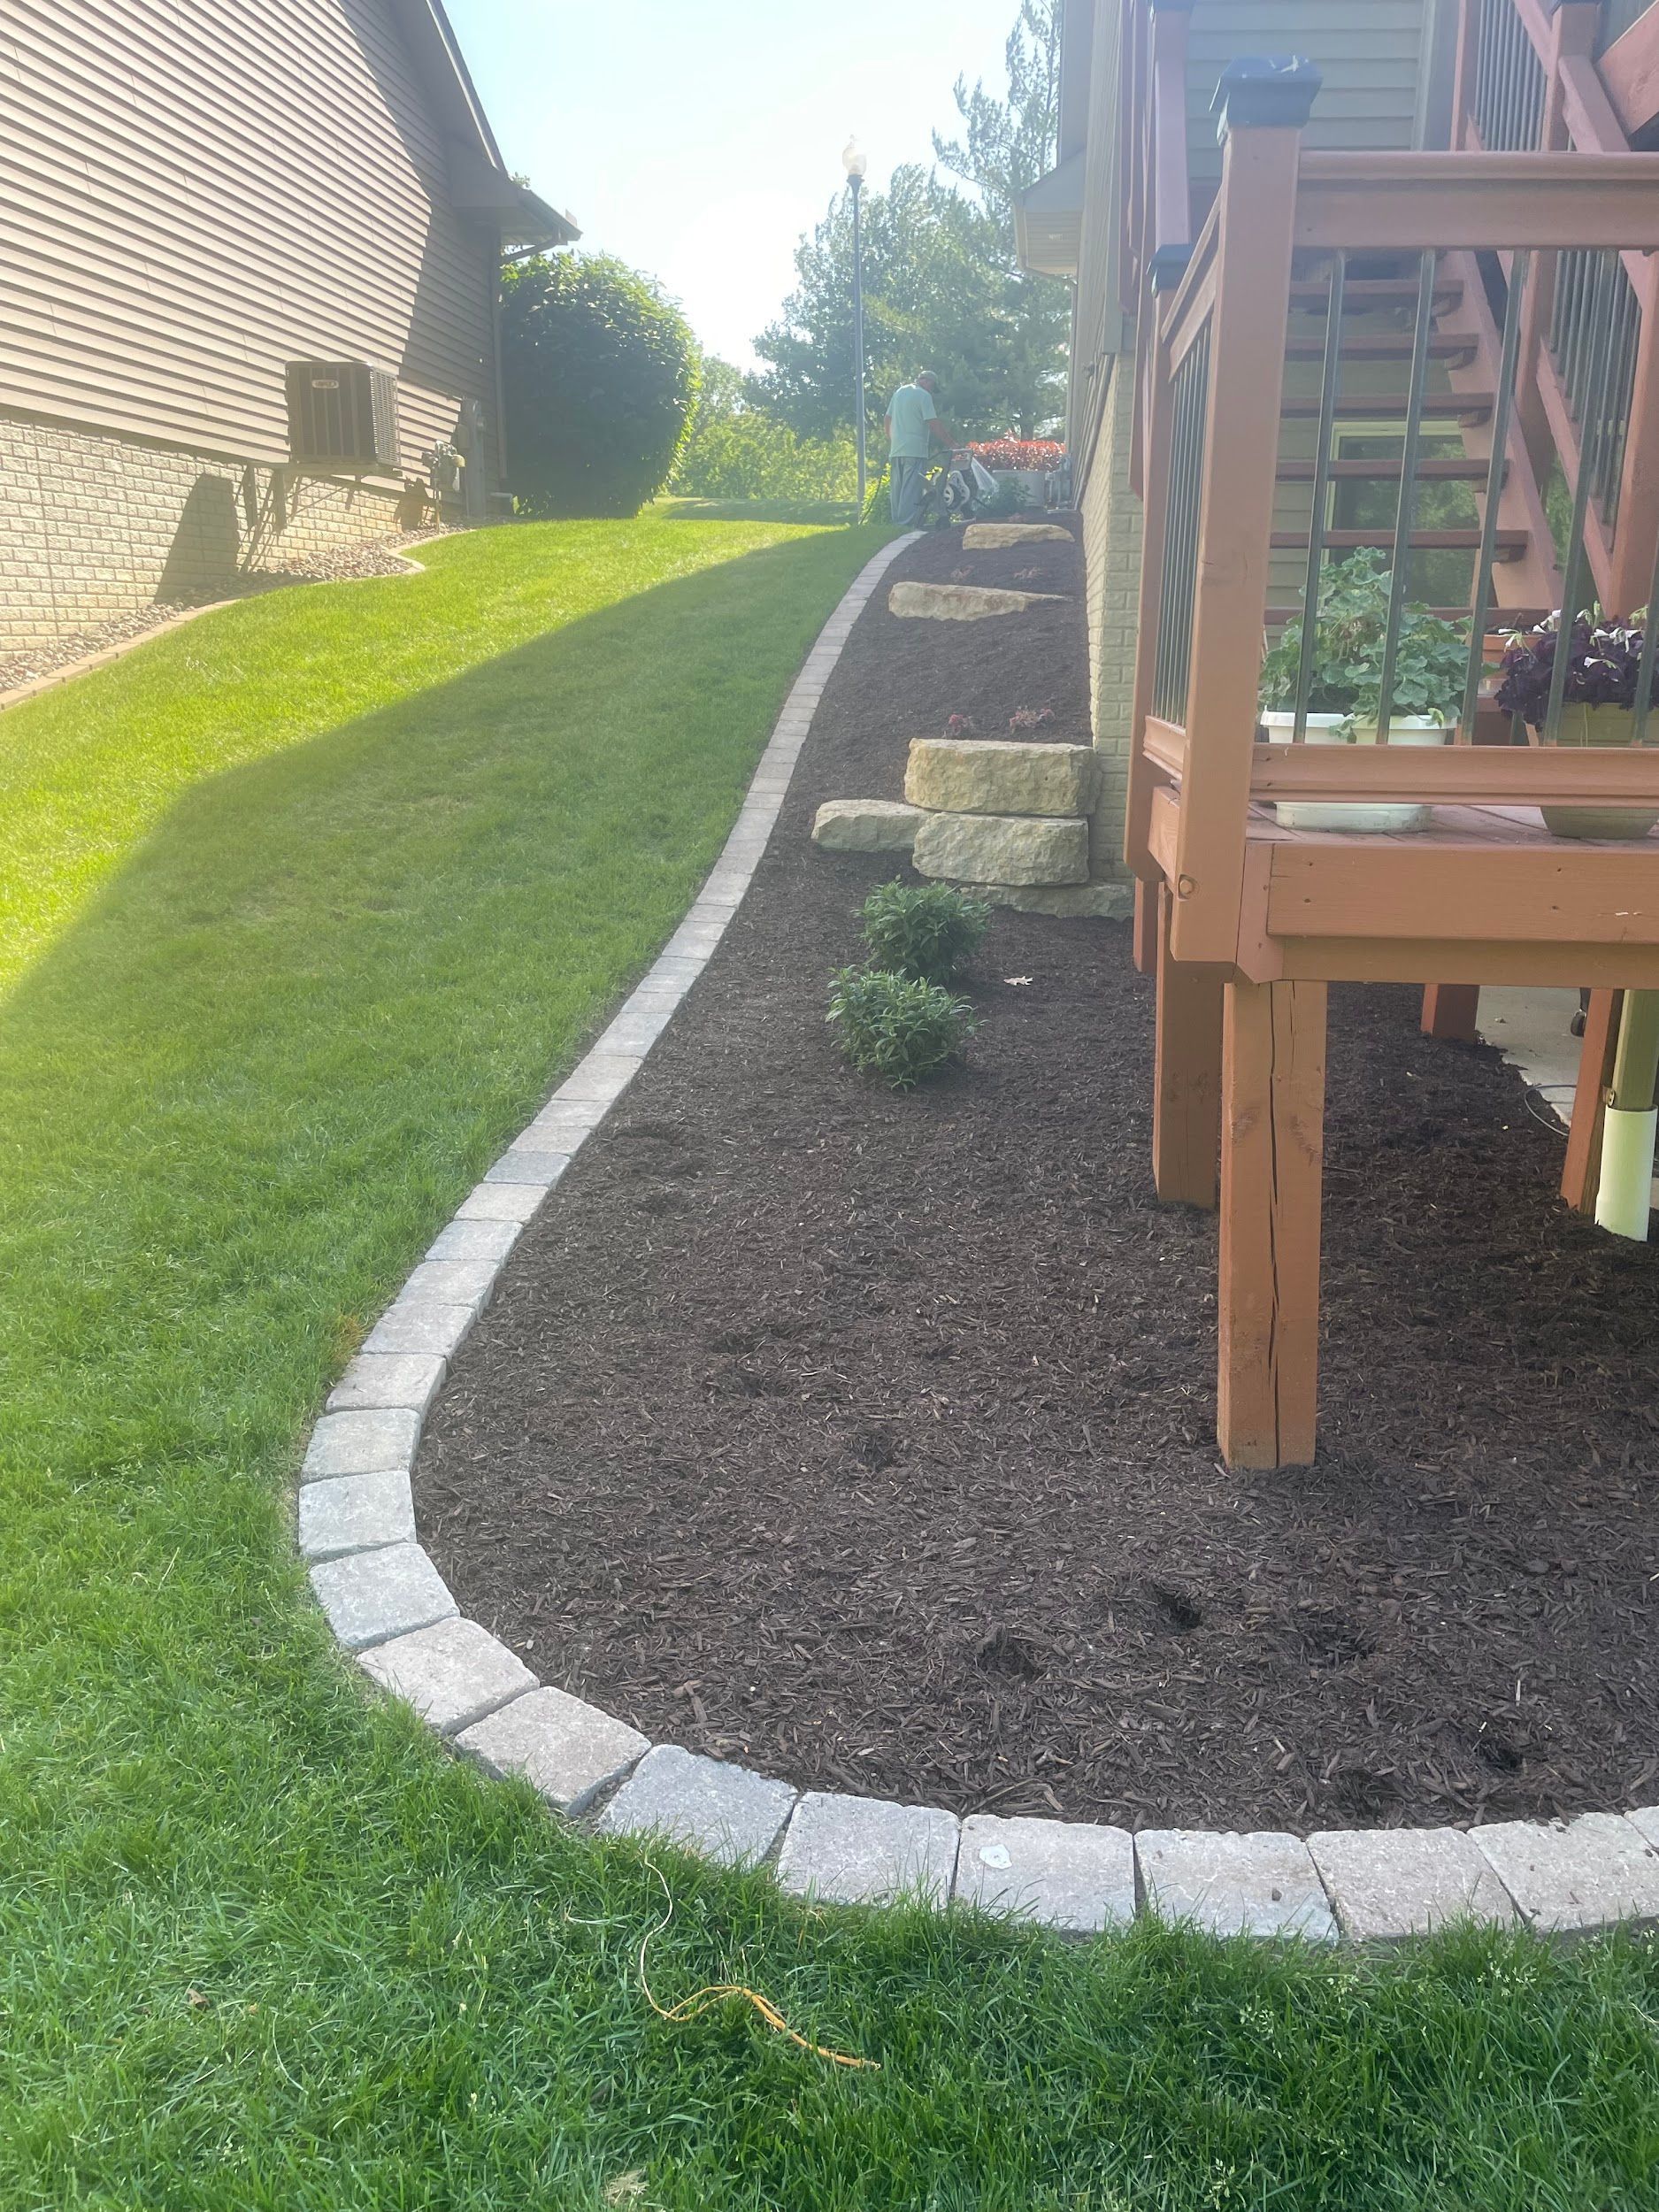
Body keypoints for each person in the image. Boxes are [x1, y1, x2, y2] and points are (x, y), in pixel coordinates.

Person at [884, 371, 957, 526]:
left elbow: (887, 418)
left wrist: (893, 439)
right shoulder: (924, 396)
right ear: (929, 382)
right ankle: (906, 525)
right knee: (911, 490)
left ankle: (896, 523)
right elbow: (933, 423)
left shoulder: (900, 392)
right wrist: (952, 444)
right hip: (915, 450)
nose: (931, 391)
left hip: (897, 449)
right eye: (932, 387)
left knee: (897, 489)